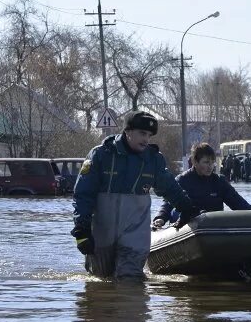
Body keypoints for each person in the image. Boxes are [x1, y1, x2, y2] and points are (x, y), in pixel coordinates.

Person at [72, 111, 202, 279]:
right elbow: (83, 194)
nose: (146, 139)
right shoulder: (101, 155)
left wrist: (187, 208)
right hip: (102, 232)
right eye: (142, 133)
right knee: (100, 281)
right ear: (127, 131)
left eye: (149, 135)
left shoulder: (153, 160)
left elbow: (169, 187)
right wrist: (81, 230)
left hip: (135, 233)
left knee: (130, 281)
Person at [153, 143, 251, 227]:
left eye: (212, 162)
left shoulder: (219, 181)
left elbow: (239, 203)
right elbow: (168, 203)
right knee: (175, 213)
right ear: (195, 162)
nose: (210, 166)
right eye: (206, 162)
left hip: (213, 229)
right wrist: (160, 217)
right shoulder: (182, 180)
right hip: (187, 228)